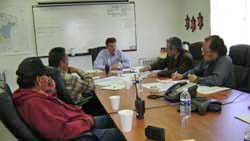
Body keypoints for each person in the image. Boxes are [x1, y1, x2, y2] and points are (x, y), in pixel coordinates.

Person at [13, 57, 125, 141]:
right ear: (38, 79)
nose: (48, 78)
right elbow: (60, 132)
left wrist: (51, 91)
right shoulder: (34, 104)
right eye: (46, 75)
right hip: (79, 135)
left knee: (115, 118)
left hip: (76, 123)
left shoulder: (31, 95)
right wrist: (86, 122)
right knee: (124, 132)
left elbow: (54, 111)